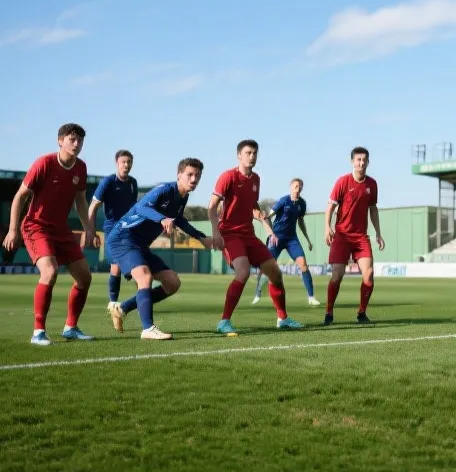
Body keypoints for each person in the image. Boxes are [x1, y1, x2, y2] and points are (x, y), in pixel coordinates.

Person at [2, 123, 98, 346]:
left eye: (80, 141)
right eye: (72, 139)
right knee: (50, 271)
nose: (76, 144)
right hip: (36, 227)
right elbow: (20, 197)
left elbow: (81, 201)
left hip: (61, 228)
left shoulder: (81, 168)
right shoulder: (44, 163)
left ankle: (71, 328)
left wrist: (89, 229)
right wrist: (13, 229)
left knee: (85, 277)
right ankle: (38, 332)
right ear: (60, 141)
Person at [107, 158, 217, 340]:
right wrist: (162, 218)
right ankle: (148, 328)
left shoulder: (182, 198)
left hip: (140, 245)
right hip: (123, 238)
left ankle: (122, 308)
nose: (193, 179)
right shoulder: (164, 189)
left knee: (173, 282)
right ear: (179, 175)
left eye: (197, 175)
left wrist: (201, 237)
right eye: (189, 174)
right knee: (145, 276)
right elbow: (141, 207)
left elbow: (179, 220)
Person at [208, 140, 303, 335]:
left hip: (248, 235)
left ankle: (283, 319)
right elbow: (211, 207)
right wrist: (216, 232)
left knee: (275, 274)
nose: (252, 156)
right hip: (230, 234)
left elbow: (253, 206)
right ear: (239, 156)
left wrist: (267, 227)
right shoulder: (227, 177)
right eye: (248, 153)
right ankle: (223, 321)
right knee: (243, 272)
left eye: (254, 153)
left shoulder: (256, 179)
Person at [323, 146, 384, 325]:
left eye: (364, 160)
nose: (362, 163)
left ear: (368, 162)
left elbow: (373, 210)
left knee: (369, 274)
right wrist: (327, 228)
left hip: (360, 237)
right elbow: (330, 208)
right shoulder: (343, 182)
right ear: (352, 162)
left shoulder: (372, 184)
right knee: (337, 275)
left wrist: (378, 233)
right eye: (358, 160)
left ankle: (362, 312)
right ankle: (328, 312)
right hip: (342, 235)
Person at [252, 178, 320, 307]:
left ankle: (311, 297)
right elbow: (272, 213)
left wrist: (308, 239)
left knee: (303, 265)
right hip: (276, 238)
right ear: (290, 187)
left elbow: (301, 222)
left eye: (300, 186)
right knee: (267, 267)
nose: (298, 188)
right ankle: (257, 293)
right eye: (295, 185)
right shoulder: (284, 200)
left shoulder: (302, 204)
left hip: (291, 239)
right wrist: (266, 218)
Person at [88, 149, 138, 310]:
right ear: (117, 163)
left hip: (129, 229)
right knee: (115, 265)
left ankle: (141, 301)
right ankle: (113, 302)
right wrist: (91, 230)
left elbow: (134, 209)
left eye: (129, 162)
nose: (126, 165)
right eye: (123, 162)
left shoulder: (133, 183)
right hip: (112, 230)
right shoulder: (108, 182)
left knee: (138, 266)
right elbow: (93, 206)